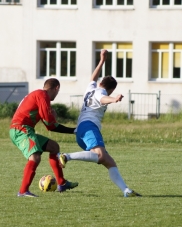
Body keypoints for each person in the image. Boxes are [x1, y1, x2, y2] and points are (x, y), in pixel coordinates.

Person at [58, 49, 141, 197]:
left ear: (100, 82)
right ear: (111, 89)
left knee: (109, 162)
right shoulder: (101, 93)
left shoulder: (91, 88)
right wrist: (114, 99)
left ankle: (126, 191)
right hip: (89, 126)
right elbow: (103, 99)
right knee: (102, 157)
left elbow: (92, 78)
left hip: (81, 130)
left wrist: (102, 61)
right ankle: (67, 156)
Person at [10, 78, 78, 197]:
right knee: (35, 157)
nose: (57, 94)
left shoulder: (38, 94)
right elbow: (50, 124)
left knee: (54, 147)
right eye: (58, 91)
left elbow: (47, 121)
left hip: (23, 129)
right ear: (56, 88)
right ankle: (23, 191)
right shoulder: (43, 95)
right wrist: (73, 130)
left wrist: (52, 118)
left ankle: (62, 183)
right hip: (21, 129)